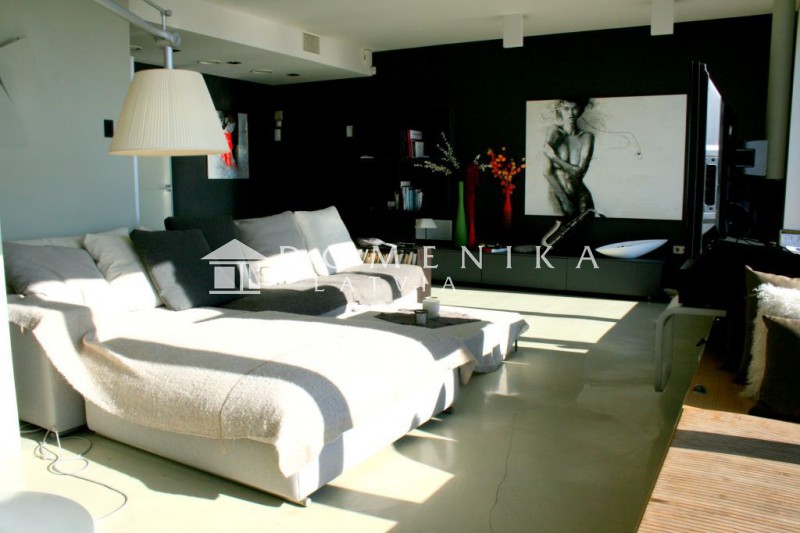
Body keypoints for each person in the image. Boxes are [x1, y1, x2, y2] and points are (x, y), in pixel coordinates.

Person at [542, 99, 595, 218]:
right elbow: (546, 172)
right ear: (560, 110)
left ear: (581, 110)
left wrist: (554, 157)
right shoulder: (554, 131)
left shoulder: (587, 137)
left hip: (582, 199)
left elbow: (580, 172)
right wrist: (565, 202)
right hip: (559, 197)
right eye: (566, 109)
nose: (570, 113)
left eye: (574, 108)